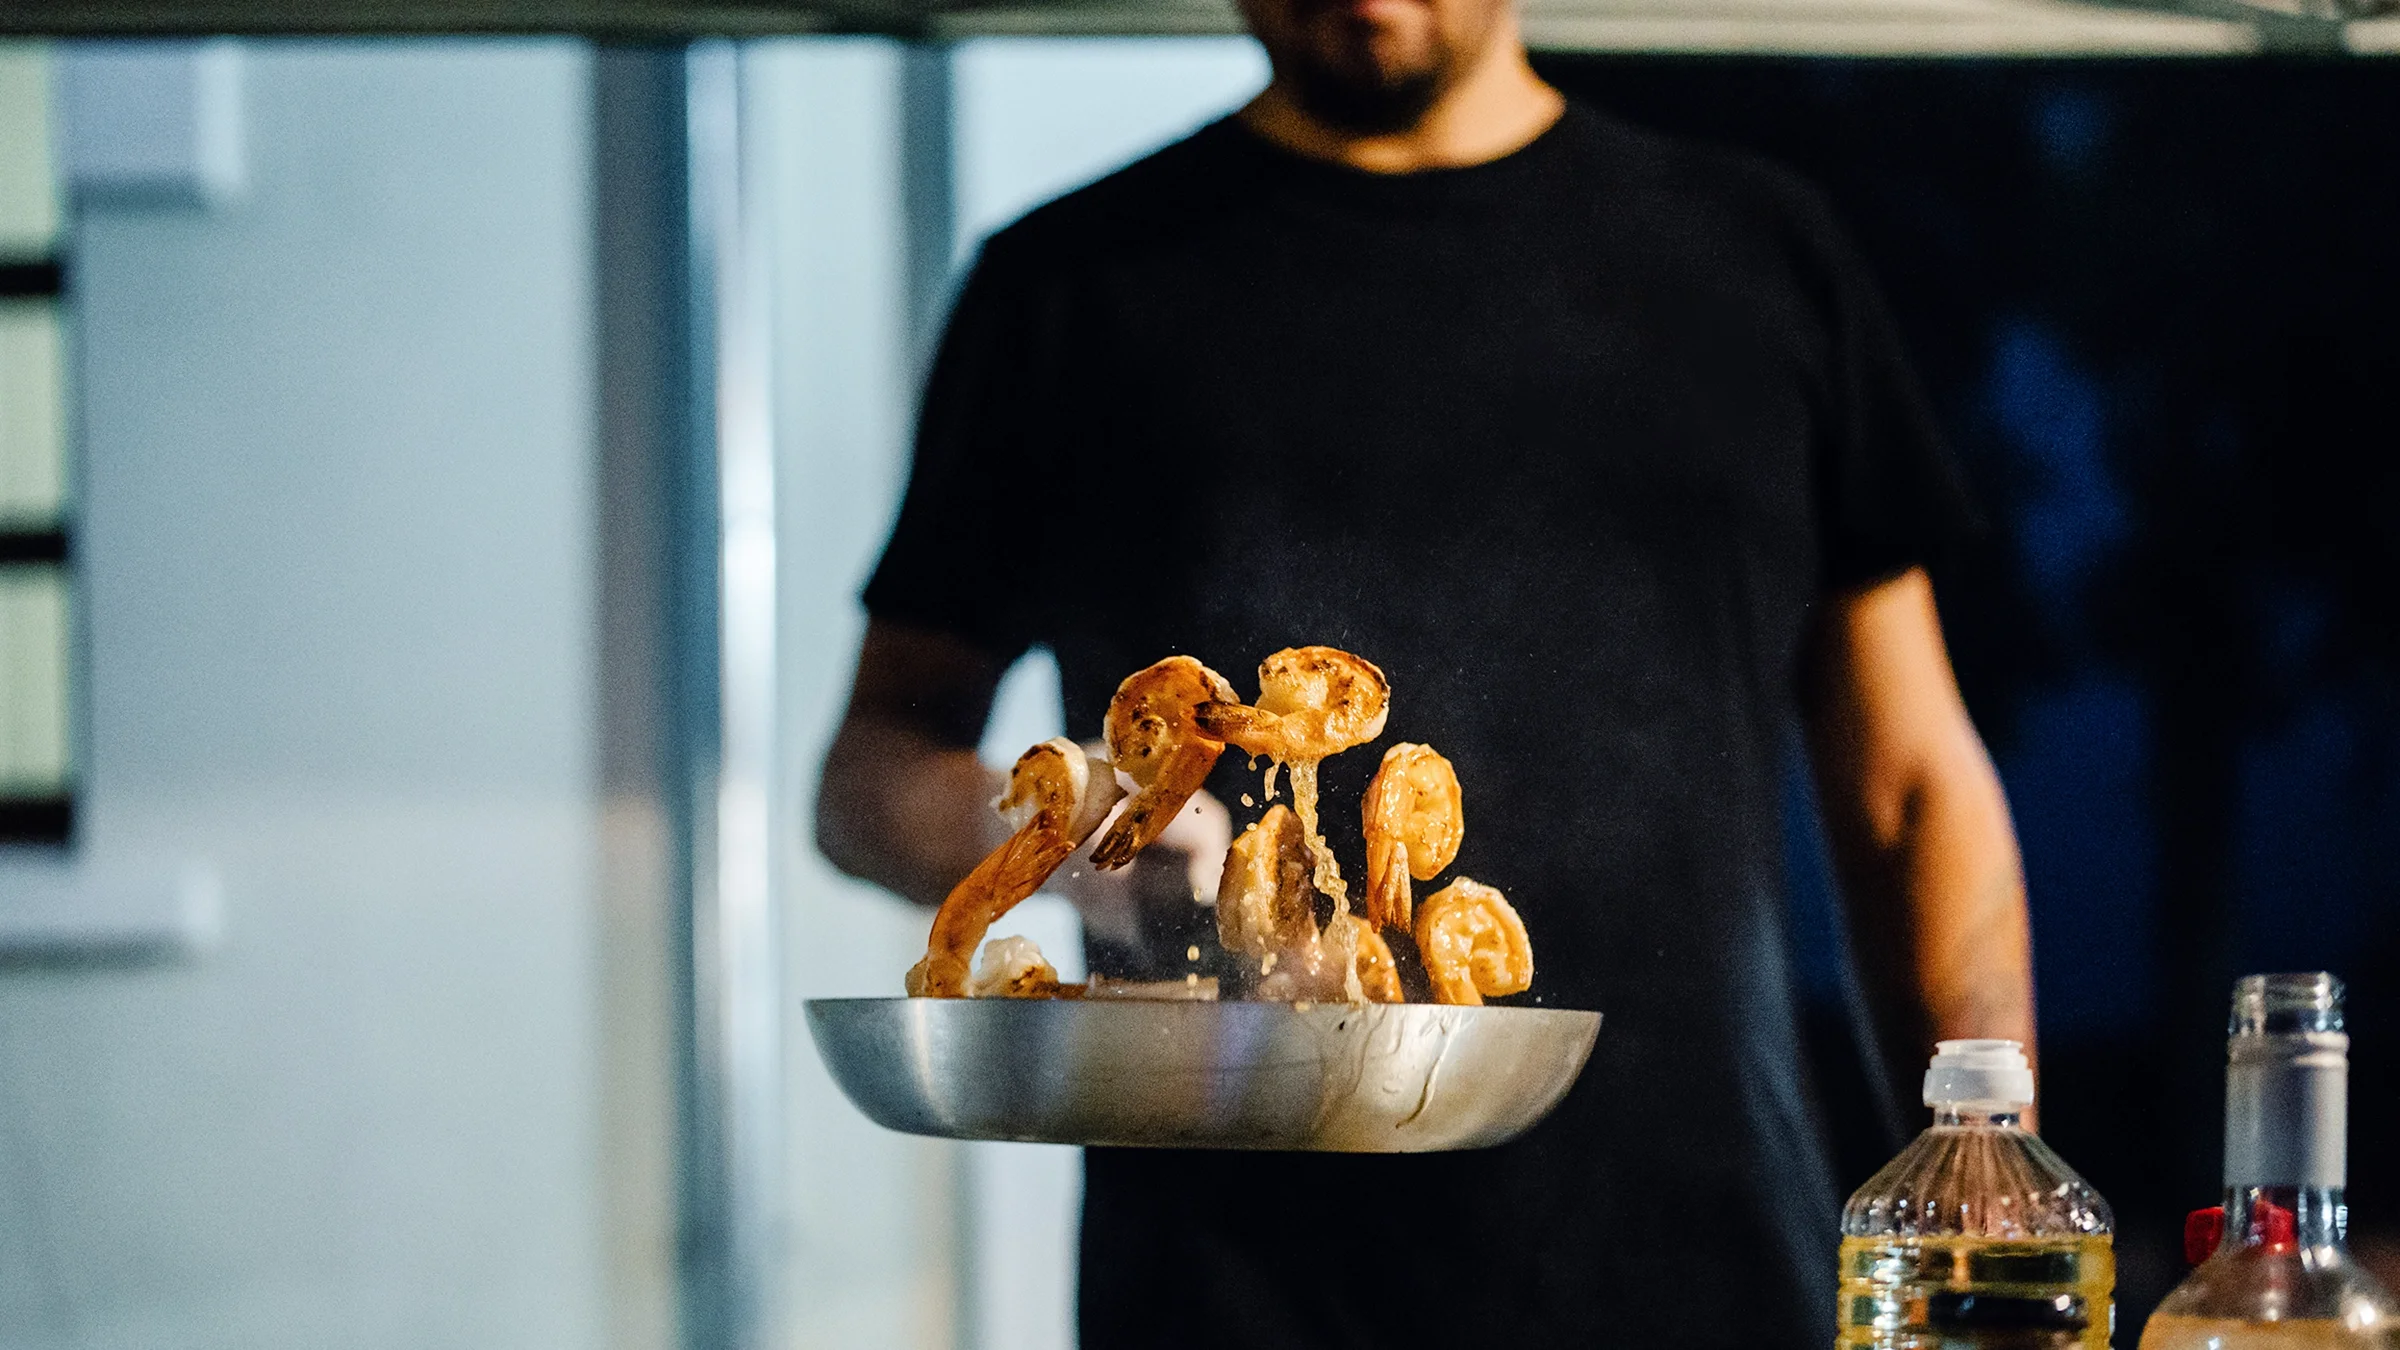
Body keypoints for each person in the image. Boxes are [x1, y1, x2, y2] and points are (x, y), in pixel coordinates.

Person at [813, 0, 2036, 1336]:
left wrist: (1998, 1198)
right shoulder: (1065, 291)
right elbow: (871, 765)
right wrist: (1086, 832)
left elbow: (1910, 789)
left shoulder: (1757, 259)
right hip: (1228, 1295)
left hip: (1711, 1267)